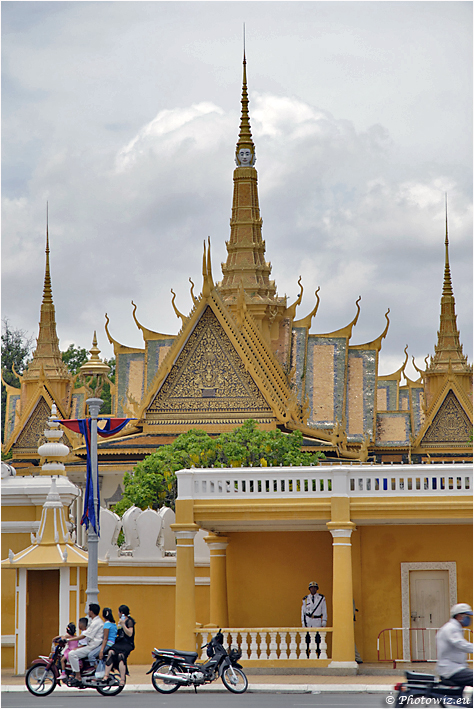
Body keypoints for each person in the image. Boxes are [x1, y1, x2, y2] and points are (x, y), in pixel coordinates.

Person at [437, 603, 473, 690]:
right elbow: (460, 644)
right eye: (467, 615)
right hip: (451, 669)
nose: (469, 618)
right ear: (459, 616)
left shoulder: (455, 628)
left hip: (455, 667)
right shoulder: (451, 628)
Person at [65, 604, 104, 686]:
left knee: (72, 654)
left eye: (89, 610)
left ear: (91, 611)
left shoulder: (96, 622)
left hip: (92, 646)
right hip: (91, 645)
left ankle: (78, 676)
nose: (88, 612)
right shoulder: (94, 621)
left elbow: (84, 636)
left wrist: (69, 639)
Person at [102, 604, 136, 688]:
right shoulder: (121, 620)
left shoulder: (129, 621)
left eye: (118, 611)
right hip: (120, 642)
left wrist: (123, 625)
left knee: (121, 656)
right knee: (111, 652)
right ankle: (106, 675)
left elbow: (130, 633)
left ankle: (122, 679)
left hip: (127, 643)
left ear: (122, 612)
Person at [301, 582, 327, 657]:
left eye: (315, 587)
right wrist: (303, 621)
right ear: (309, 589)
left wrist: (324, 620)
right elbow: (303, 611)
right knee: (308, 639)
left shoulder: (321, 598)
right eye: (311, 588)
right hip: (308, 621)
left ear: (317, 589)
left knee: (318, 639)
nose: (313, 589)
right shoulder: (305, 599)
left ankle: (319, 654)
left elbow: (324, 610)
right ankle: (307, 654)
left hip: (317, 620)